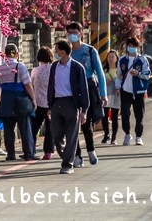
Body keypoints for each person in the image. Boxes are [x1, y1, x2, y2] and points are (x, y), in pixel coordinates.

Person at [46, 39, 90, 174]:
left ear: (64, 51)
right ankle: (67, 156)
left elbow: (84, 88)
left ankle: (67, 164)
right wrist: (49, 105)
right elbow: (51, 85)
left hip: (72, 103)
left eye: (58, 49)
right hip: (57, 103)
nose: (56, 52)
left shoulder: (77, 68)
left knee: (71, 135)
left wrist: (84, 110)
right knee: (56, 134)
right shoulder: (54, 66)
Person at [66, 21, 105, 166]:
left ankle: (91, 150)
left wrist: (103, 93)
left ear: (81, 34)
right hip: (70, 89)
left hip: (88, 86)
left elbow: (99, 73)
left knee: (86, 122)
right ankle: (76, 156)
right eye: (69, 33)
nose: (72, 36)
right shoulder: (65, 52)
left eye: (74, 33)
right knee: (72, 123)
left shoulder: (89, 51)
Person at [0, 43, 38, 160]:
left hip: (6, 101)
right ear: (17, 53)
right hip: (20, 101)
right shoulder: (20, 66)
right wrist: (33, 99)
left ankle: (10, 154)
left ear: (5, 54)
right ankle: (29, 153)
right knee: (24, 128)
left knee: (8, 129)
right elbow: (27, 84)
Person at [115, 35, 150, 146]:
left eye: (133, 46)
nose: (131, 48)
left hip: (138, 91)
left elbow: (147, 74)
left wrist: (138, 74)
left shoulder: (142, 59)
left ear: (137, 47)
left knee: (139, 114)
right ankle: (127, 134)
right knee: (125, 113)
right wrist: (118, 86)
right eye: (129, 46)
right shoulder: (122, 60)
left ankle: (138, 136)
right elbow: (118, 75)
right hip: (126, 91)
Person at [30, 46, 55, 159]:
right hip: (51, 103)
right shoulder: (54, 69)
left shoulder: (35, 71)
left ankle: (31, 150)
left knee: (34, 127)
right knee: (50, 128)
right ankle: (48, 152)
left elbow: (31, 85)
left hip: (38, 103)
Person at [101, 49, 120, 144]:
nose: (110, 59)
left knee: (114, 116)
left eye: (113, 57)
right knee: (104, 116)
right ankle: (106, 135)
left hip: (116, 95)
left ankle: (114, 137)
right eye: (109, 57)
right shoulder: (104, 70)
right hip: (106, 95)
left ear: (117, 58)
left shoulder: (119, 70)